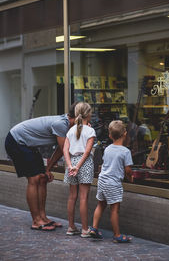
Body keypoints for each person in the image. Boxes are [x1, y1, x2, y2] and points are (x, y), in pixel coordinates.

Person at [5, 103, 77, 231]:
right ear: (78, 117)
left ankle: (43, 217)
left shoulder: (67, 124)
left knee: (43, 178)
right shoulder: (61, 124)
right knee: (34, 179)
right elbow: (63, 150)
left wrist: (48, 169)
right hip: (16, 141)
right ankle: (36, 221)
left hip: (28, 145)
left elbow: (60, 150)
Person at [90, 120, 133, 243]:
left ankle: (94, 228)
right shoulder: (126, 151)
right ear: (125, 134)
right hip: (113, 183)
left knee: (100, 204)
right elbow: (128, 170)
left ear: (110, 135)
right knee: (114, 209)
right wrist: (130, 178)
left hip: (102, 180)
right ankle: (117, 235)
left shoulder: (108, 148)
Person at [63, 102, 96, 238]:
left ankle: (71, 227)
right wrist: (78, 166)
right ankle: (84, 229)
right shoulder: (90, 131)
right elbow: (87, 152)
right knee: (83, 198)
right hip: (84, 163)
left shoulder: (70, 130)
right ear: (88, 114)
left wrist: (70, 165)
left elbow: (65, 149)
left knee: (72, 197)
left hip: (72, 162)